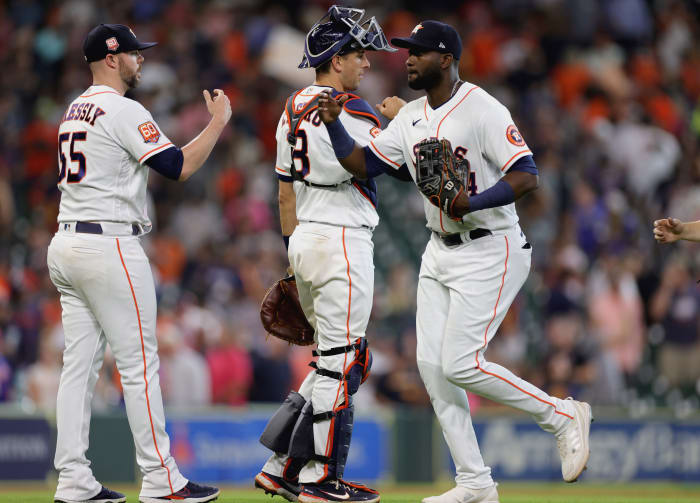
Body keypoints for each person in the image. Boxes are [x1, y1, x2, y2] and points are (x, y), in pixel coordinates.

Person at [318, 20, 592, 503]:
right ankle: (475, 483)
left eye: (418, 52)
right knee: (432, 366)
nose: (408, 59)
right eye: (406, 52)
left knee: (462, 365)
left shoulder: (483, 108)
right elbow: (364, 164)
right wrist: (335, 123)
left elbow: (528, 176)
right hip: (438, 250)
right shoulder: (412, 117)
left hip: (491, 245)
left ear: (445, 59)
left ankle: (563, 416)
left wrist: (472, 202)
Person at [48, 24, 230, 503]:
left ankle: (72, 478)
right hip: (108, 245)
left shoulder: (74, 109)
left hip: (67, 242)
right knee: (139, 365)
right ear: (111, 58)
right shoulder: (122, 108)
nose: (140, 59)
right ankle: (161, 478)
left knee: (78, 368)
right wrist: (217, 123)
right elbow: (179, 167)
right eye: (132, 52)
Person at [253, 6, 406, 503]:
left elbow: (283, 195)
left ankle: (280, 467)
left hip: (304, 239)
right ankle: (323, 479)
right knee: (344, 362)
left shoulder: (290, 107)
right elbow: (392, 163)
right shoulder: (350, 108)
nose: (366, 63)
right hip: (341, 238)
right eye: (359, 53)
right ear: (336, 58)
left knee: (328, 364)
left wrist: (293, 262)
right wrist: (404, 121)